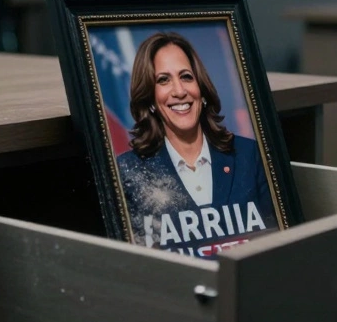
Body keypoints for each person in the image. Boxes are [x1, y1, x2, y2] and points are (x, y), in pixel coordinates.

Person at [114, 31, 277, 256]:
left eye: (186, 77)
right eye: (163, 80)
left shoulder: (250, 156)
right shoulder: (128, 173)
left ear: (201, 89)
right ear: (150, 100)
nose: (179, 91)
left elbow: (278, 243)